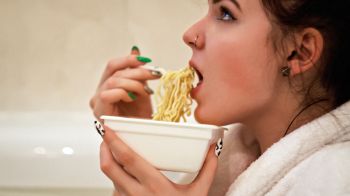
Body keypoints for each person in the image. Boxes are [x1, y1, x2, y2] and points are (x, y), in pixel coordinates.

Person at [90, 0, 350, 195]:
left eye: (226, 13)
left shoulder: (335, 178)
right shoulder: (241, 158)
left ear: (300, 53)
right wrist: (142, 144)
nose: (189, 34)